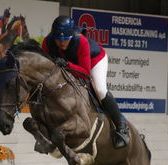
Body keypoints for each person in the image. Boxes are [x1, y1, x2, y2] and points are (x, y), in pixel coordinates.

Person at [41, 15, 129, 149]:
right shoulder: (48, 43)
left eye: (65, 40)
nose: (61, 43)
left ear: (71, 36)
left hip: (94, 61)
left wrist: (66, 64)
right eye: (58, 39)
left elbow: (84, 73)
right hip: (70, 63)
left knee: (99, 89)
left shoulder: (81, 42)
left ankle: (122, 126)